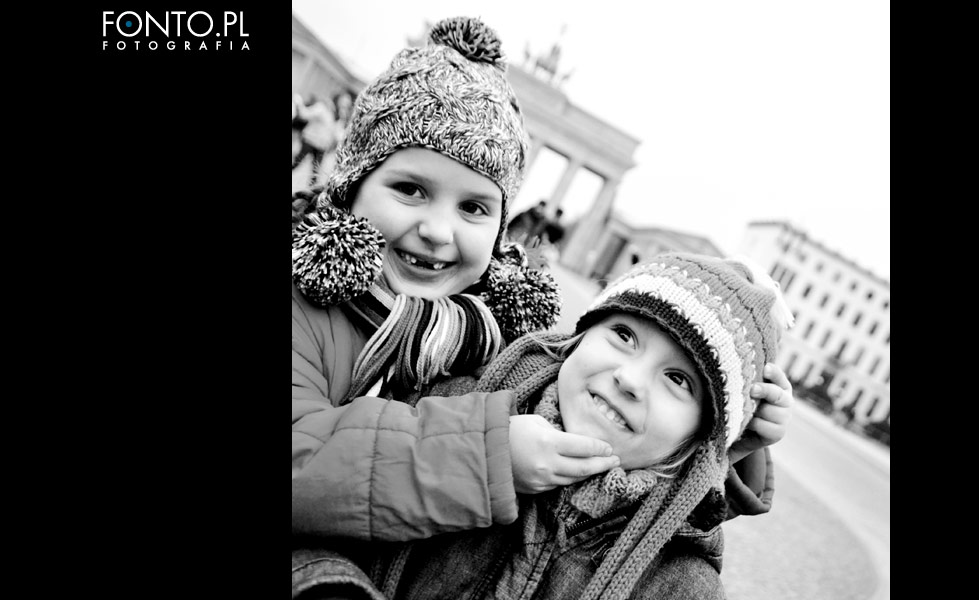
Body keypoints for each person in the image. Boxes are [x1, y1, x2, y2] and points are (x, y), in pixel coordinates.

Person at [295, 252, 795, 599]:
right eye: (624, 335)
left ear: (701, 437)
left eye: (678, 380)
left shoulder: (681, 586)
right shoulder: (449, 405)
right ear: (577, 337)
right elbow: (324, 512)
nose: (629, 379)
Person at [292, 93, 339, 186]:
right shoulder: (322, 108)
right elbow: (304, 114)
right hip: (311, 141)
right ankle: (312, 186)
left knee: (315, 169)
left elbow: (332, 132)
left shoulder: (332, 113)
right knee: (300, 162)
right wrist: (299, 103)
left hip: (320, 145)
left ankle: (312, 188)